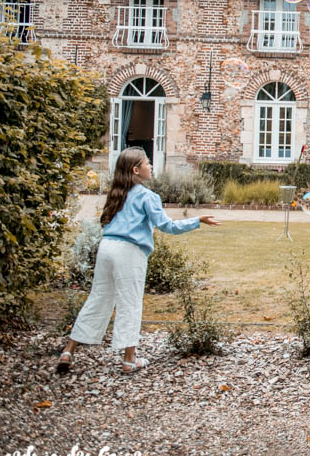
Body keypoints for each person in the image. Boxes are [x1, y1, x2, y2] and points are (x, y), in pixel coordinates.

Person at [56, 147, 219, 374]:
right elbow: (167, 226)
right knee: (130, 303)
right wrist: (198, 220)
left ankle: (68, 350)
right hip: (128, 252)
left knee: (98, 298)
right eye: (147, 163)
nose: (150, 166)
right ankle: (129, 359)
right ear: (136, 170)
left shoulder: (117, 194)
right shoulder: (147, 196)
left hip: (106, 248)